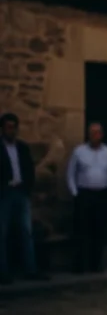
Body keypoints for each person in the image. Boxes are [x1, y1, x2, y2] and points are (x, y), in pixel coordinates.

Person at [0, 113, 47, 284]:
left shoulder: (22, 147)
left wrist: (28, 187)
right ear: (3, 129)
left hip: (21, 192)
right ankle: (3, 272)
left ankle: (30, 269)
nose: (12, 131)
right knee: (2, 233)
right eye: (8, 128)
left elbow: (29, 168)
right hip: (5, 193)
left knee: (26, 231)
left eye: (14, 128)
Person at [67, 122, 107, 273]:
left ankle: (96, 264)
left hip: (102, 194)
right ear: (88, 134)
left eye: (98, 132)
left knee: (99, 230)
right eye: (92, 132)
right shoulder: (79, 151)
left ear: (102, 134)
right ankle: (80, 265)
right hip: (84, 195)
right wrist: (75, 193)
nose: (95, 135)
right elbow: (70, 173)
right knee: (82, 230)